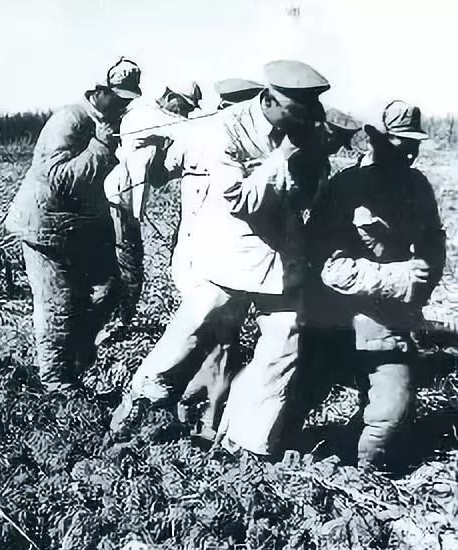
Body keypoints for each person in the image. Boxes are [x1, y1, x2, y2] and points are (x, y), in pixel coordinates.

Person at [110, 60, 331, 461]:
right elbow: (241, 200)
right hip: (232, 255)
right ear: (272, 101)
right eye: (301, 112)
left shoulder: (309, 131)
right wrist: (282, 158)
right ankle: (139, 409)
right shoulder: (225, 130)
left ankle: (245, 446)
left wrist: (299, 167)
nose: (310, 121)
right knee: (193, 334)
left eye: (313, 111)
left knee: (282, 348)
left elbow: (312, 191)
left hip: (282, 263)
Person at [304, 101, 445, 471]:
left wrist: (421, 282)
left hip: (388, 320)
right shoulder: (346, 187)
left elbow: (433, 242)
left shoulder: (417, 185)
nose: (411, 153)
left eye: (415, 145)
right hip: (332, 316)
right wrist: (400, 280)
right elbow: (326, 264)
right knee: (293, 399)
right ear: (376, 141)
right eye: (402, 144)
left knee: (390, 413)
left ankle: (362, 474)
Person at [4, 57, 141, 394]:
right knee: (58, 303)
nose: (124, 104)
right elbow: (61, 179)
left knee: (108, 288)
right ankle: (55, 382)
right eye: (118, 97)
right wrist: (101, 145)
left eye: (128, 99)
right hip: (45, 228)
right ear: (97, 92)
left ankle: (76, 354)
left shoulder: (108, 122)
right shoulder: (70, 119)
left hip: (79, 229)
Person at [102, 79, 198, 326]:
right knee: (128, 265)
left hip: (126, 202)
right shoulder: (147, 116)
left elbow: (157, 176)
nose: (185, 112)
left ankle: (118, 322)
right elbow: (190, 128)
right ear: (169, 95)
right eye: (184, 106)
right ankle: (116, 325)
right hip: (118, 200)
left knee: (128, 263)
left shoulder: (157, 123)